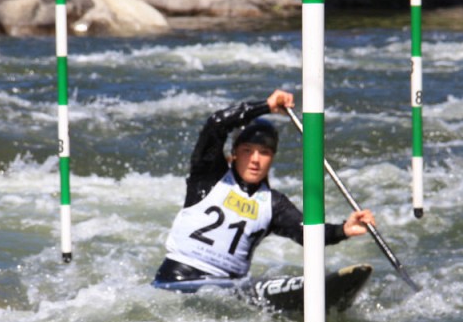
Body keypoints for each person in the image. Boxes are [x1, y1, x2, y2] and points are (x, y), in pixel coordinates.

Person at [152, 89, 375, 292]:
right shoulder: (208, 176)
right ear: (234, 154)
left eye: (264, 152)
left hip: (226, 291)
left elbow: (308, 233)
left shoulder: (273, 204)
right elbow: (216, 124)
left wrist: (344, 229)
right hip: (178, 278)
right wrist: (265, 106)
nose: (255, 160)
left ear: (272, 158)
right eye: (248, 150)